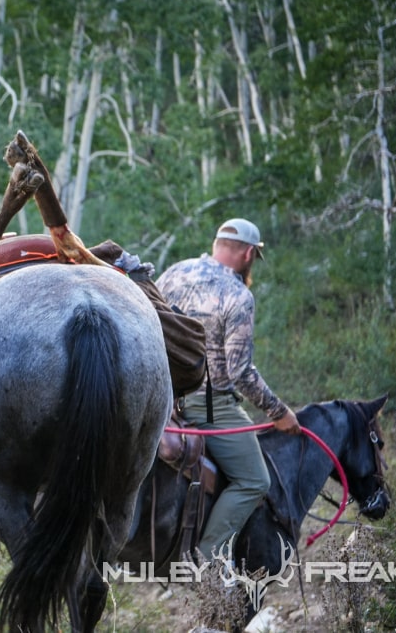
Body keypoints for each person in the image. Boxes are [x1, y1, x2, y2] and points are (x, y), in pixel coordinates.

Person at [156, 218, 301, 564]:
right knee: (254, 480)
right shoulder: (238, 296)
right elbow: (240, 374)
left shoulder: (174, 272)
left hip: (162, 399)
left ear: (217, 242)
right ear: (249, 253)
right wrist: (279, 413)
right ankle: (206, 558)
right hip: (207, 406)